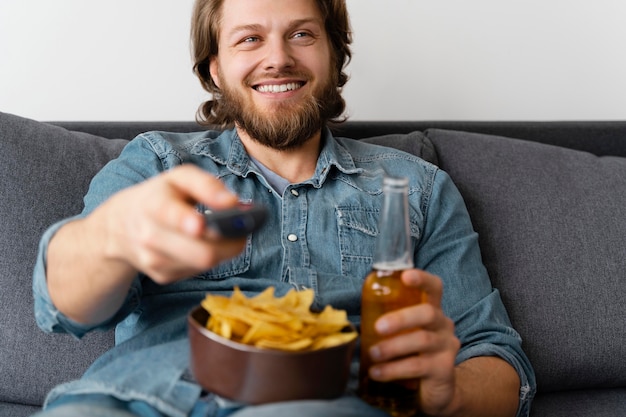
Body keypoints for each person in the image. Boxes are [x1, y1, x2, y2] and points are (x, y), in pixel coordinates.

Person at [32, 0, 536, 416]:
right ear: (215, 67)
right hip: (135, 398)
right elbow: (64, 306)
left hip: (316, 400)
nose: (277, 58)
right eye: (249, 38)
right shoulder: (156, 164)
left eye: (301, 35)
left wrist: (445, 393)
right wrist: (112, 238)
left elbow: (497, 361)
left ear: (334, 57)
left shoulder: (416, 188)